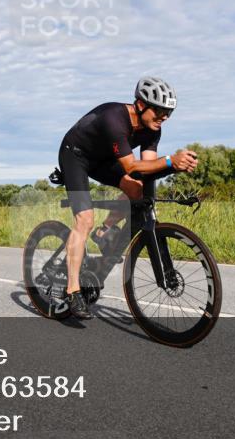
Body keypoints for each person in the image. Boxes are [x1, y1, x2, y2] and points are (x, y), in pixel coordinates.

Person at [56, 76, 198, 319]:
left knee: (136, 191)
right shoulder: (114, 119)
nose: (164, 117)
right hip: (76, 155)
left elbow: (147, 169)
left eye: (168, 113)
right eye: (160, 111)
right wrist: (170, 161)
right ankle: (72, 291)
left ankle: (105, 231)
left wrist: (170, 171)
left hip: (104, 161)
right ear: (141, 105)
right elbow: (132, 166)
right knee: (84, 220)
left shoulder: (153, 130)